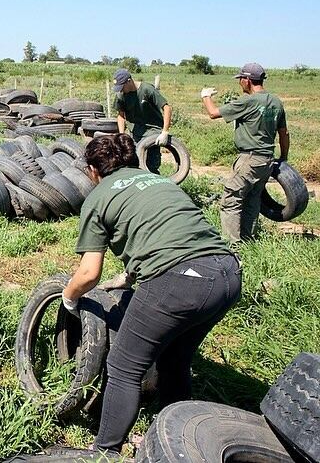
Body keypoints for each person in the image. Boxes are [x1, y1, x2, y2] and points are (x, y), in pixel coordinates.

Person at [62, 133, 241, 455]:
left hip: (181, 283)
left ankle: (105, 450)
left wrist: (68, 297)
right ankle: (174, 440)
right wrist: (129, 276)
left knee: (124, 366)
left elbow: (88, 274)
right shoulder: (161, 182)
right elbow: (166, 232)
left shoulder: (99, 197)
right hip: (226, 275)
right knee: (175, 359)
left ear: (92, 170)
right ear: (133, 161)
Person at [201, 63, 289, 245]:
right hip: (267, 160)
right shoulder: (275, 101)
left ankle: (232, 247)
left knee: (230, 201)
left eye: (240, 79)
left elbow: (213, 113)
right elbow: (284, 133)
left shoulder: (248, 101)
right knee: (252, 200)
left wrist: (206, 96)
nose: (239, 82)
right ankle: (249, 241)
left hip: (249, 159)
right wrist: (283, 158)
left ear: (247, 80)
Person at [113, 68, 172, 174]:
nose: (121, 90)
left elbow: (167, 108)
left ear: (129, 81)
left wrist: (165, 132)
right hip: (135, 133)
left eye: (122, 87)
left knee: (151, 165)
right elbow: (121, 116)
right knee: (133, 163)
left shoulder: (147, 89)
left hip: (153, 132)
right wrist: (121, 134)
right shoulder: (121, 95)